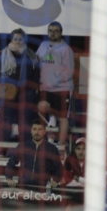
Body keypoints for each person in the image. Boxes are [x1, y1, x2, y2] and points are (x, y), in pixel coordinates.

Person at [0, 28, 40, 144]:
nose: (18, 41)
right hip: (7, 94)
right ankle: (2, 150)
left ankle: (25, 149)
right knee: (6, 122)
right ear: (11, 39)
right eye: (15, 38)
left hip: (26, 94)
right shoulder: (3, 54)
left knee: (25, 123)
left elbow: (36, 75)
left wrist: (32, 90)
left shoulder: (31, 55)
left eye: (20, 39)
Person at [36, 21, 74, 151]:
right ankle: (49, 136)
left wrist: (54, 81)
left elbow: (69, 71)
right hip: (45, 88)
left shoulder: (66, 49)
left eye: (56, 30)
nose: (53, 33)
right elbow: (36, 62)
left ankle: (61, 146)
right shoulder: (43, 45)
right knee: (42, 109)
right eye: (50, 30)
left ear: (61, 33)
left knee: (63, 117)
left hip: (62, 88)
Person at [5, 120, 62, 189]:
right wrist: (9, 178)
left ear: (44, 131)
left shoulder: (52, 148)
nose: (37, 132)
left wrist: (56, 181)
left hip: (43, 188)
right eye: (34, 129)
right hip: (23, 186)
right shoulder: (23, 146)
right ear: (31, 131)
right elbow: (11, 163)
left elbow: (59, 168)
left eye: (40, 129)